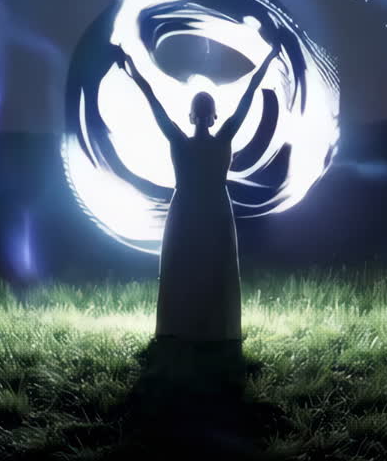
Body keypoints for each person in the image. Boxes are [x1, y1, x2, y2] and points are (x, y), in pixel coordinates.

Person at [112, 42, 279, 342]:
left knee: (182, 270)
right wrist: (268, 57)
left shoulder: (178, 139)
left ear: (190, 116)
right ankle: (218, 331)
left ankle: (177, 330)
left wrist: (131, 69)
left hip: (185, 210)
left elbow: (152, 100)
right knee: (217, 270)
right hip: (216, 210)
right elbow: (249, 93)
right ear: (214, 116)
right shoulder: (225, 135)